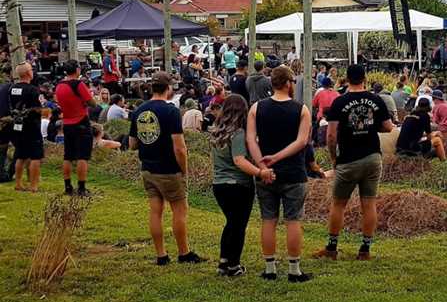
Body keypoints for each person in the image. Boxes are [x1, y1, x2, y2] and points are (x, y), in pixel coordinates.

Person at [317, 64, 394, 261]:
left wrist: (334, 158)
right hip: (372, 157)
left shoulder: (339, 102)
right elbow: (387, 127)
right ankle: (365, 250)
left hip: (348, 159)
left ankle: (332, 248)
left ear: (346, 79)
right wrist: (371, 126)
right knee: (369, 204)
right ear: (364, 79)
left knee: (339, 204)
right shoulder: (375, 99)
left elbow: (331, 135)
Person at [129, 72, 205, 265]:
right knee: (179, 210)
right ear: (169, 88)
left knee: (155, 211)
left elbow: (132, 144)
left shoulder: (139, 110)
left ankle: (161, 255)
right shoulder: (170, 111)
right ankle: (183, 253)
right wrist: (184, 169)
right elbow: (179, 147)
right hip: (169, 169)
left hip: (147, 167)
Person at [246, 66, 312, 281]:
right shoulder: (301, 109)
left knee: (268, 219)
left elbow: (250, 140)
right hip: (293, 172)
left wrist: (263, 165)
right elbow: (302, 141)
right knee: (293, 220)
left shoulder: (256, 108)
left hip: (266, 174)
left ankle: (270, 267)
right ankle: (294, 269)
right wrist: (278, 157)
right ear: (287, 83)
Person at [210, 94, 273, 277]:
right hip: (238, 184)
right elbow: (239, 160)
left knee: (230, 223)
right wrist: (260, 172)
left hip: (219, 184)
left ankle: (223, 261)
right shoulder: (237, 133)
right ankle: (233, 264)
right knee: (238, 226)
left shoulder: (216, 132)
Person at [55, 60, 98, 196]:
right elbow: (92, 103)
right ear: (77, 70)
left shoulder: (59, 86)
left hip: (67, 122)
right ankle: (81, 187)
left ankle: (68, 186)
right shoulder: (78, 84)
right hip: (80, 120)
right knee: (82, 156)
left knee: (68, 156)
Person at [11, 63, 44, 192]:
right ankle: (33, 185)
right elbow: (37, 109)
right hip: (31, 126)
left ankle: (18, 183)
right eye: (31, 69)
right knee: (36, 156)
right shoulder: (33, 90)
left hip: (17, 124)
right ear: (27, 73)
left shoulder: (12, 89)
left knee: (20, 155)